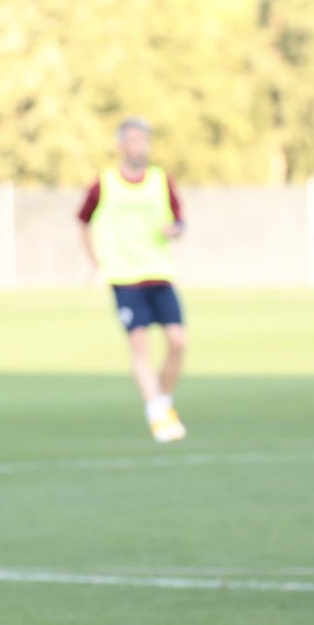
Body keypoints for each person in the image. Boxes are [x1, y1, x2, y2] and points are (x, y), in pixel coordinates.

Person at [78, 117, 189, 443]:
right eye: (134, 140)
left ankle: (163, 401)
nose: (139, 146)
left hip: (159, 272)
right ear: (122, 144)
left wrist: (176, 230)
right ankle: (156, 413)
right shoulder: (105, 182)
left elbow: (181, 220)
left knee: (178, 341)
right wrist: (95, 261)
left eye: (144, 140)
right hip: (124, 276)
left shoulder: (160, 180)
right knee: (140, 345)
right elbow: (82, 220)